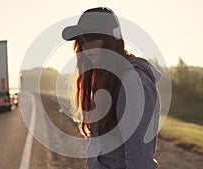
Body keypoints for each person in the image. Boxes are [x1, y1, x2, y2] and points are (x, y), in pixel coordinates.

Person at [62, 7, 161, 169]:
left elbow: (139, 157)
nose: (86, 46)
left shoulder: (132, 81)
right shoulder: (105, 79)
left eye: (93, 37)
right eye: (82, 40)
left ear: (111, 40)